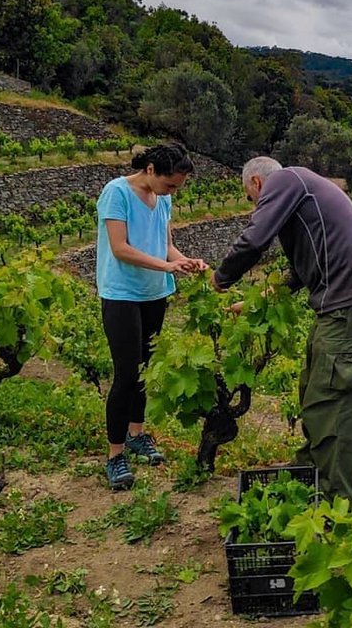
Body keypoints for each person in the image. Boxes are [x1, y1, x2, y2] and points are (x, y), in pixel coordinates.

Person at [212, 157, 352, 507]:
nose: (255, 207)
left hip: (347, 308)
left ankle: (342, 503)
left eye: (251, 199)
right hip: (338, 307)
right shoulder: (304, 196)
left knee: (334, 399)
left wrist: (219, 279)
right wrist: (254, 302)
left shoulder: (286, 181)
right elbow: (298, 274)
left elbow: (254, 239)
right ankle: (311, 472)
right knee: (314, 389)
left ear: (258, 183)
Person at [96, 143, 207, 491]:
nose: (173, 192)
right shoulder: (116, 193)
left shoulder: (163, 199)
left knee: (146, 371)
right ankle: (115, 456)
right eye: (170, 185)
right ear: (150, 170)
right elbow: (120, 248)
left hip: (155, 293)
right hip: (122, 294)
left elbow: (165, 244)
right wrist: (166, 265)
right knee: (126, 374)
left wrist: (184, 260)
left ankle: (137, 435)